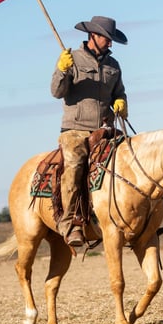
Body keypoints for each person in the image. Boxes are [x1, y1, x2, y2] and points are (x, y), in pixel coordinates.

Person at [50, 15, 128, 247]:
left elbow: (119, 92)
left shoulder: (113, 66)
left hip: (105, 129)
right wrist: (61, 70)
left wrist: (122, 102)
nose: (110, 43)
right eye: (107, 39)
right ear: (93, 36)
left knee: (131, 160)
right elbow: (56, 91)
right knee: (74, 167)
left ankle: (128, 218)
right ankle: (71, 224)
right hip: (75, 131)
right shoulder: (71, 59)